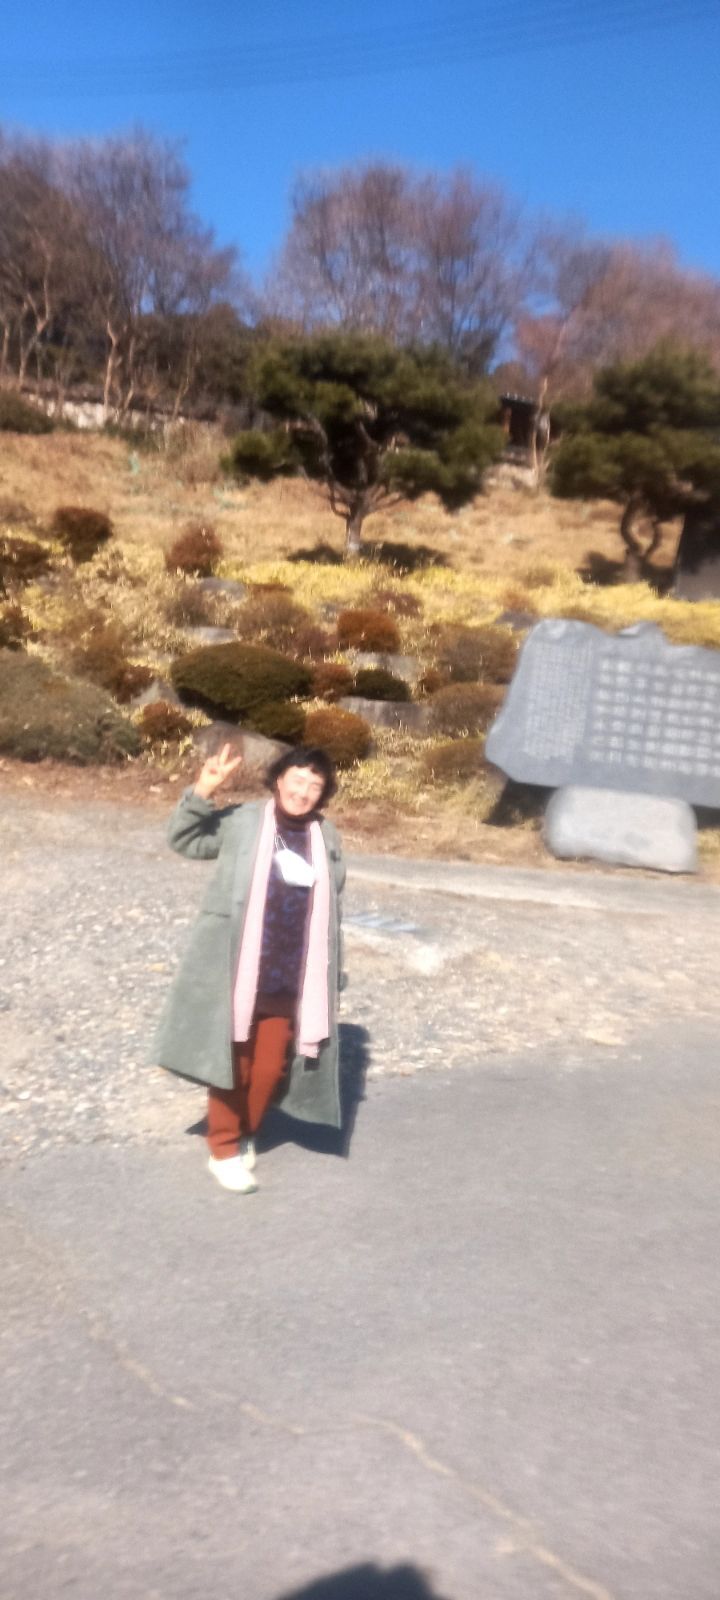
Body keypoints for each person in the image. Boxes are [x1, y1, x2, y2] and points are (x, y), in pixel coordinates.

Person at [153, 742, 346, 1193]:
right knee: (232, 1064)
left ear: (322, 794)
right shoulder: (244, 820)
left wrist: (333, 973)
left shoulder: (326, 836)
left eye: (314, 785)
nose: (303, 791)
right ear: (279, 780)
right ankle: (222, 1149)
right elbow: (185, 839)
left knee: (270, 1070)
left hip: (291, 975)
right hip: (239, 968)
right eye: (297, 779)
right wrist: (203, 790)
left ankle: (244, 1132)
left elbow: (333, 909)